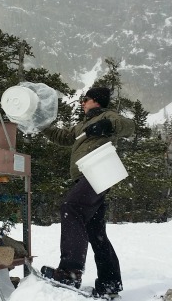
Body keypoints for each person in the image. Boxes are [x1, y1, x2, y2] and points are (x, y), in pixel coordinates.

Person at [40, 87, 135, 299]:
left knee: (71, 207)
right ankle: (109, 283)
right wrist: (42, 125)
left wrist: (107, 125)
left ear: (96, 101)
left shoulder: (107, 116)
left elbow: (129, 126)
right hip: (88, 175)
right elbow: (63, 137)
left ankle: (70, 272)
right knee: (95, 232)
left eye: (86, 99)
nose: (82, 103)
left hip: (99, 171)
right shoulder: (81, 125)